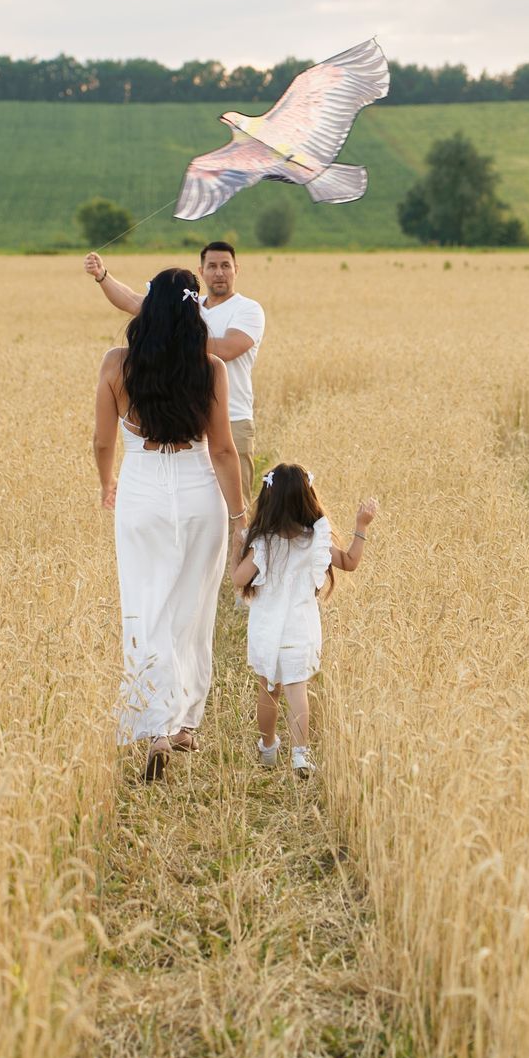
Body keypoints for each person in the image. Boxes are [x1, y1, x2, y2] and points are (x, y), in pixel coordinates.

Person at [92, 266, 248, 781]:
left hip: (141, 491)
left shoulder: (117, 364)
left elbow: (101, 441)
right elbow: (224, 450)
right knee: (192, 610)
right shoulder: (210, 370)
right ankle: (184, 726)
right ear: (193, 310)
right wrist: (240, 516)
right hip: (199, 489)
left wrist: (106, 482)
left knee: (145, 607)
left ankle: (154, 725)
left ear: (147, 308)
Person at [230, 463, 377, 778]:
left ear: (269, 502)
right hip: (301, 628)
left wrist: (235, 550)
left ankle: (268, 747)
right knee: (297, 691)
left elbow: (237, 578)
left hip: (268, 630)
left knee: (269, 689)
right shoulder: (316, 540)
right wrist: (361, 526)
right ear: (306, 500)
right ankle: (300, 755)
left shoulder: (263, 544)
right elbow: (350, 561)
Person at [85, 242, 263, 498]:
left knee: (233, 503)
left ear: (237, 269)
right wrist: (102, 275)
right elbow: (130, 300)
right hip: (189, 420)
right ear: (201, 271)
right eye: (212, 266)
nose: (219, 272)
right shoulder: (183, 305)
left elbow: (227, 349)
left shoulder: (248, 309)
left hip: (233, 418)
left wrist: (171, 334)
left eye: (225, 266)